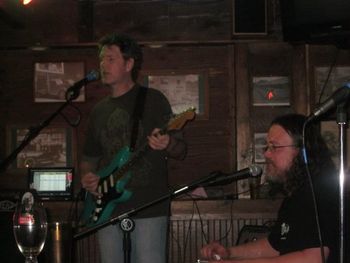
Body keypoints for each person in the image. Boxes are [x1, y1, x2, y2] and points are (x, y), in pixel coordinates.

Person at [80, 32, 187, 263]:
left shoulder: (154, 100)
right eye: (101, 59)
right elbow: (89, 157)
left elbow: (182, 150)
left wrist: (168, 143)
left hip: (149, 206)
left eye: (110, 59)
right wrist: (87, 177)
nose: (103, 65)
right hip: (105, 207)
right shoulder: (98, 111)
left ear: (129, 64)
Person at [200, 114, 339, 263]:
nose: (266, 153)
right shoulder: (295, 194)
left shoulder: (320, 192)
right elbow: (275, 245)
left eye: (274, 146)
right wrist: (228, 253)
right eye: (267, 147)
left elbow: (313, 258)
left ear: (302, 151)